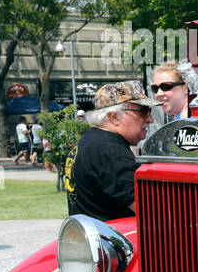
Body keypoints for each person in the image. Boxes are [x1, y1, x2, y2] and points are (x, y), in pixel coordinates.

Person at [65, 82, 155, 222]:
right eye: (143, 111)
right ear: (114, 117)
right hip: (112, 240)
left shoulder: (91, 141)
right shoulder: (110, 151)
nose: (150, 119)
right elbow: (152, 210)